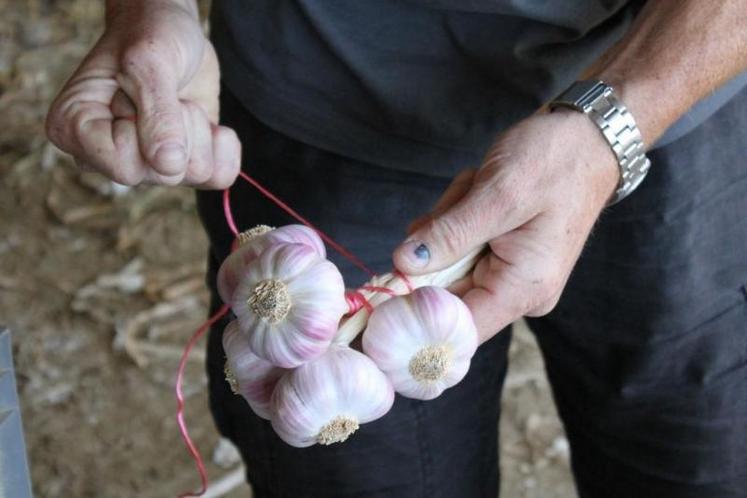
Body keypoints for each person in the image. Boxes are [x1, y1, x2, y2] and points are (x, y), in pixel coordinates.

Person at [46, 0, 747, 496]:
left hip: (672, 87)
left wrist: (614, 127)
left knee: (700, 464)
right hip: (322, 105)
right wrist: (150, 9)